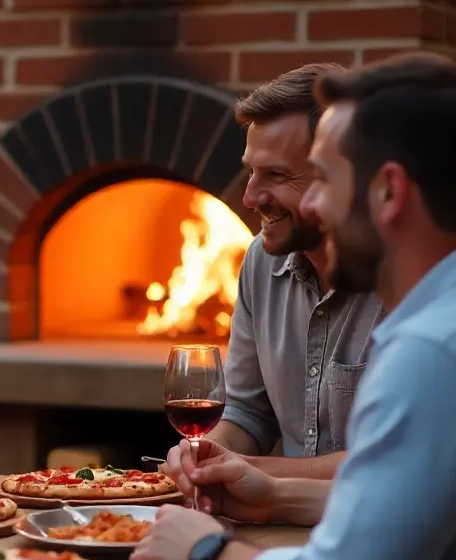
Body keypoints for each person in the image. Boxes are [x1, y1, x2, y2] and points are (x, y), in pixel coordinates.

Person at [133, 54, 456, 560]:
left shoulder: (426, 348)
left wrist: (205, 551)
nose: (307, 203)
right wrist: (257, 487)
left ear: (387, 193)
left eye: (322, 179)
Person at [164, 64, 382, 494]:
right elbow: (247, 412)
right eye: (251, 171)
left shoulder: (409, 278)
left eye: (277, 175)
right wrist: (204, 454)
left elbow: (396, 464)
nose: (249, 198)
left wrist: (247, 470)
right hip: (280, 520)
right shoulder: (260, 263)